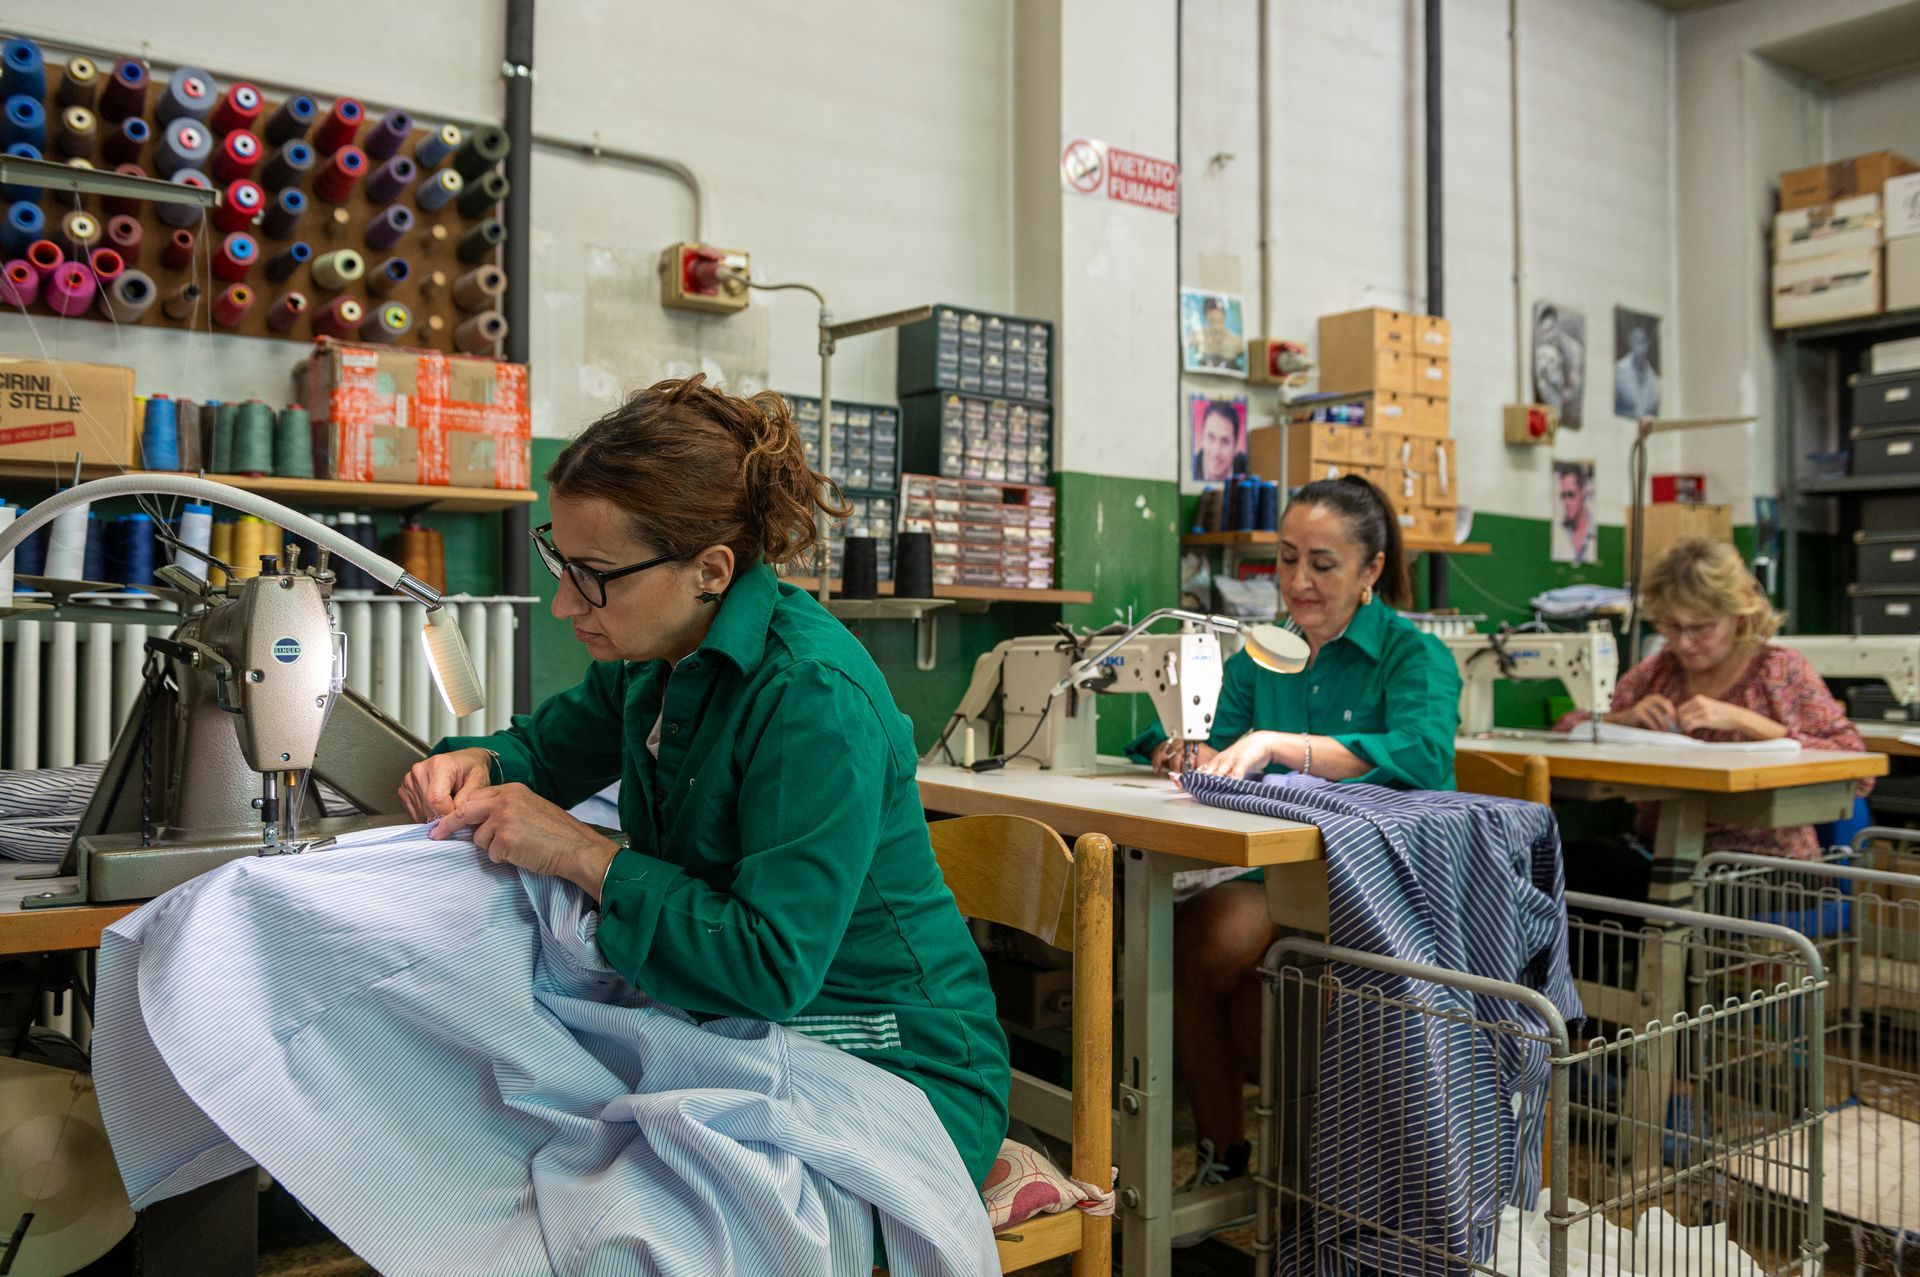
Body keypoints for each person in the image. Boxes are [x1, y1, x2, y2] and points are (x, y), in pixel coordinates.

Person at [400, 374, 1010, 1189]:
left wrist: (585, 852)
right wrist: (482, 762)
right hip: (749, 1027)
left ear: (711, 570)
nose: (560, 602)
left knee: (609, 1211)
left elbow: (769, 965)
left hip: (894, 1065)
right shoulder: (654, 658)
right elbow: (544, 750)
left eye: (592, 573)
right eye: (559, 558)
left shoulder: (811, 698)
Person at [1126, 475, 1460, 1233]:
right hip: (1277, 872)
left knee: (1282, 1002)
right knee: (1195, 938)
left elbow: (1420, 750)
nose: (1298, 582)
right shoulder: (1264, 654)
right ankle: (1224, 1152)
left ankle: (1330, 1190)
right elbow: (1205, 724)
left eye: (1322, 563)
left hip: (1379, 886)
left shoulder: (1413, 658)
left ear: (1372, 569)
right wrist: (1185, 744)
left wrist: (1284, 744)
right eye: (1284, 560)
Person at [1557, 537, 1871, 865]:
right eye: (1671, 626)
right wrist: (1624, 718)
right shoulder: (1661, 671)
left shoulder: (1778, 670)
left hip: (1760, 863)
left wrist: (1746, 721)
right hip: (1662, 848)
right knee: (1564, 869)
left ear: (1737, 616)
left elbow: (1854, 761)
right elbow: (1567, 727)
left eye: (1701, 628)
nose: (1684, 642)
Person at [1614, 318, 1660, 417]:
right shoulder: (1617, 371)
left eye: (1642, 341)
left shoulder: (1655, 381)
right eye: (1635, 340)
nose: (1638, 347)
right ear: (1630, 341)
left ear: (1647, 344)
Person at [1554, 461, 1596, 565]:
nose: (1566, 503)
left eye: (1571, 495)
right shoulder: (1559, 532)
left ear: (1583, 492)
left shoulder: (1596, 531)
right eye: (1564, 496)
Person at [1194, 398, 1245, 482]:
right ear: (1202, 439)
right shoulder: (1190, 468)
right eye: (1211, 438)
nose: (1216, 452)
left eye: (1225, 442)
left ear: (1235, 447)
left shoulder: (1246, 469)